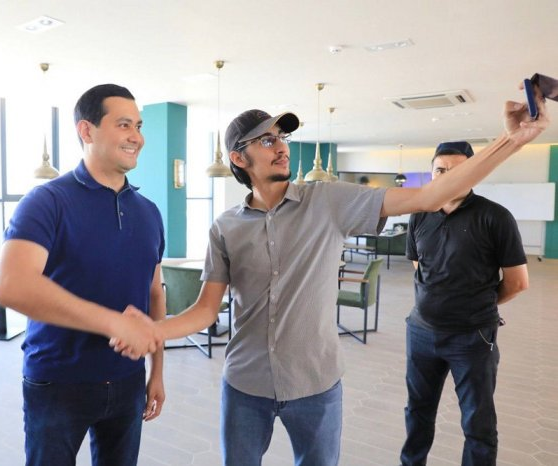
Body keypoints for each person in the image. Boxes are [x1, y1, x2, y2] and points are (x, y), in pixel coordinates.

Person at [113, 83, 548, 466]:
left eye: (282, 137)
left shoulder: (328, 201)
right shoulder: (226, 227)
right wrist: (155, 329)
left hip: (316, 385)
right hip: (245, 385)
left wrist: (511, 141)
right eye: (267, 139)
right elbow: (207, 311)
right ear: (239, 157)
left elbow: (432, 195)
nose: (282, 146)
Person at [0, 83, 166, 466]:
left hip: (128, 379)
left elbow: (154, 293)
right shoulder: (46, 201)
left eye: (138, 126)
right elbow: (11, 286)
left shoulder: (149, 212)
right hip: (58, 382)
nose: (136, 137)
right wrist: (113, 323)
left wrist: (157, 370)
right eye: (123, 125)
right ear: (87, 130)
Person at [399, 141, 529, 466]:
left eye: (457, 171)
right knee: (417, 412)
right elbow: (420, 266)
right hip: (421, 333)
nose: (446, 177)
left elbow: (517, 282)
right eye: (440, 171)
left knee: (477, 422)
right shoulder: (420, 214)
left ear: (474, 173)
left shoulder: (496, 217)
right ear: (431, 173)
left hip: (472, 337)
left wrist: (476, 304)